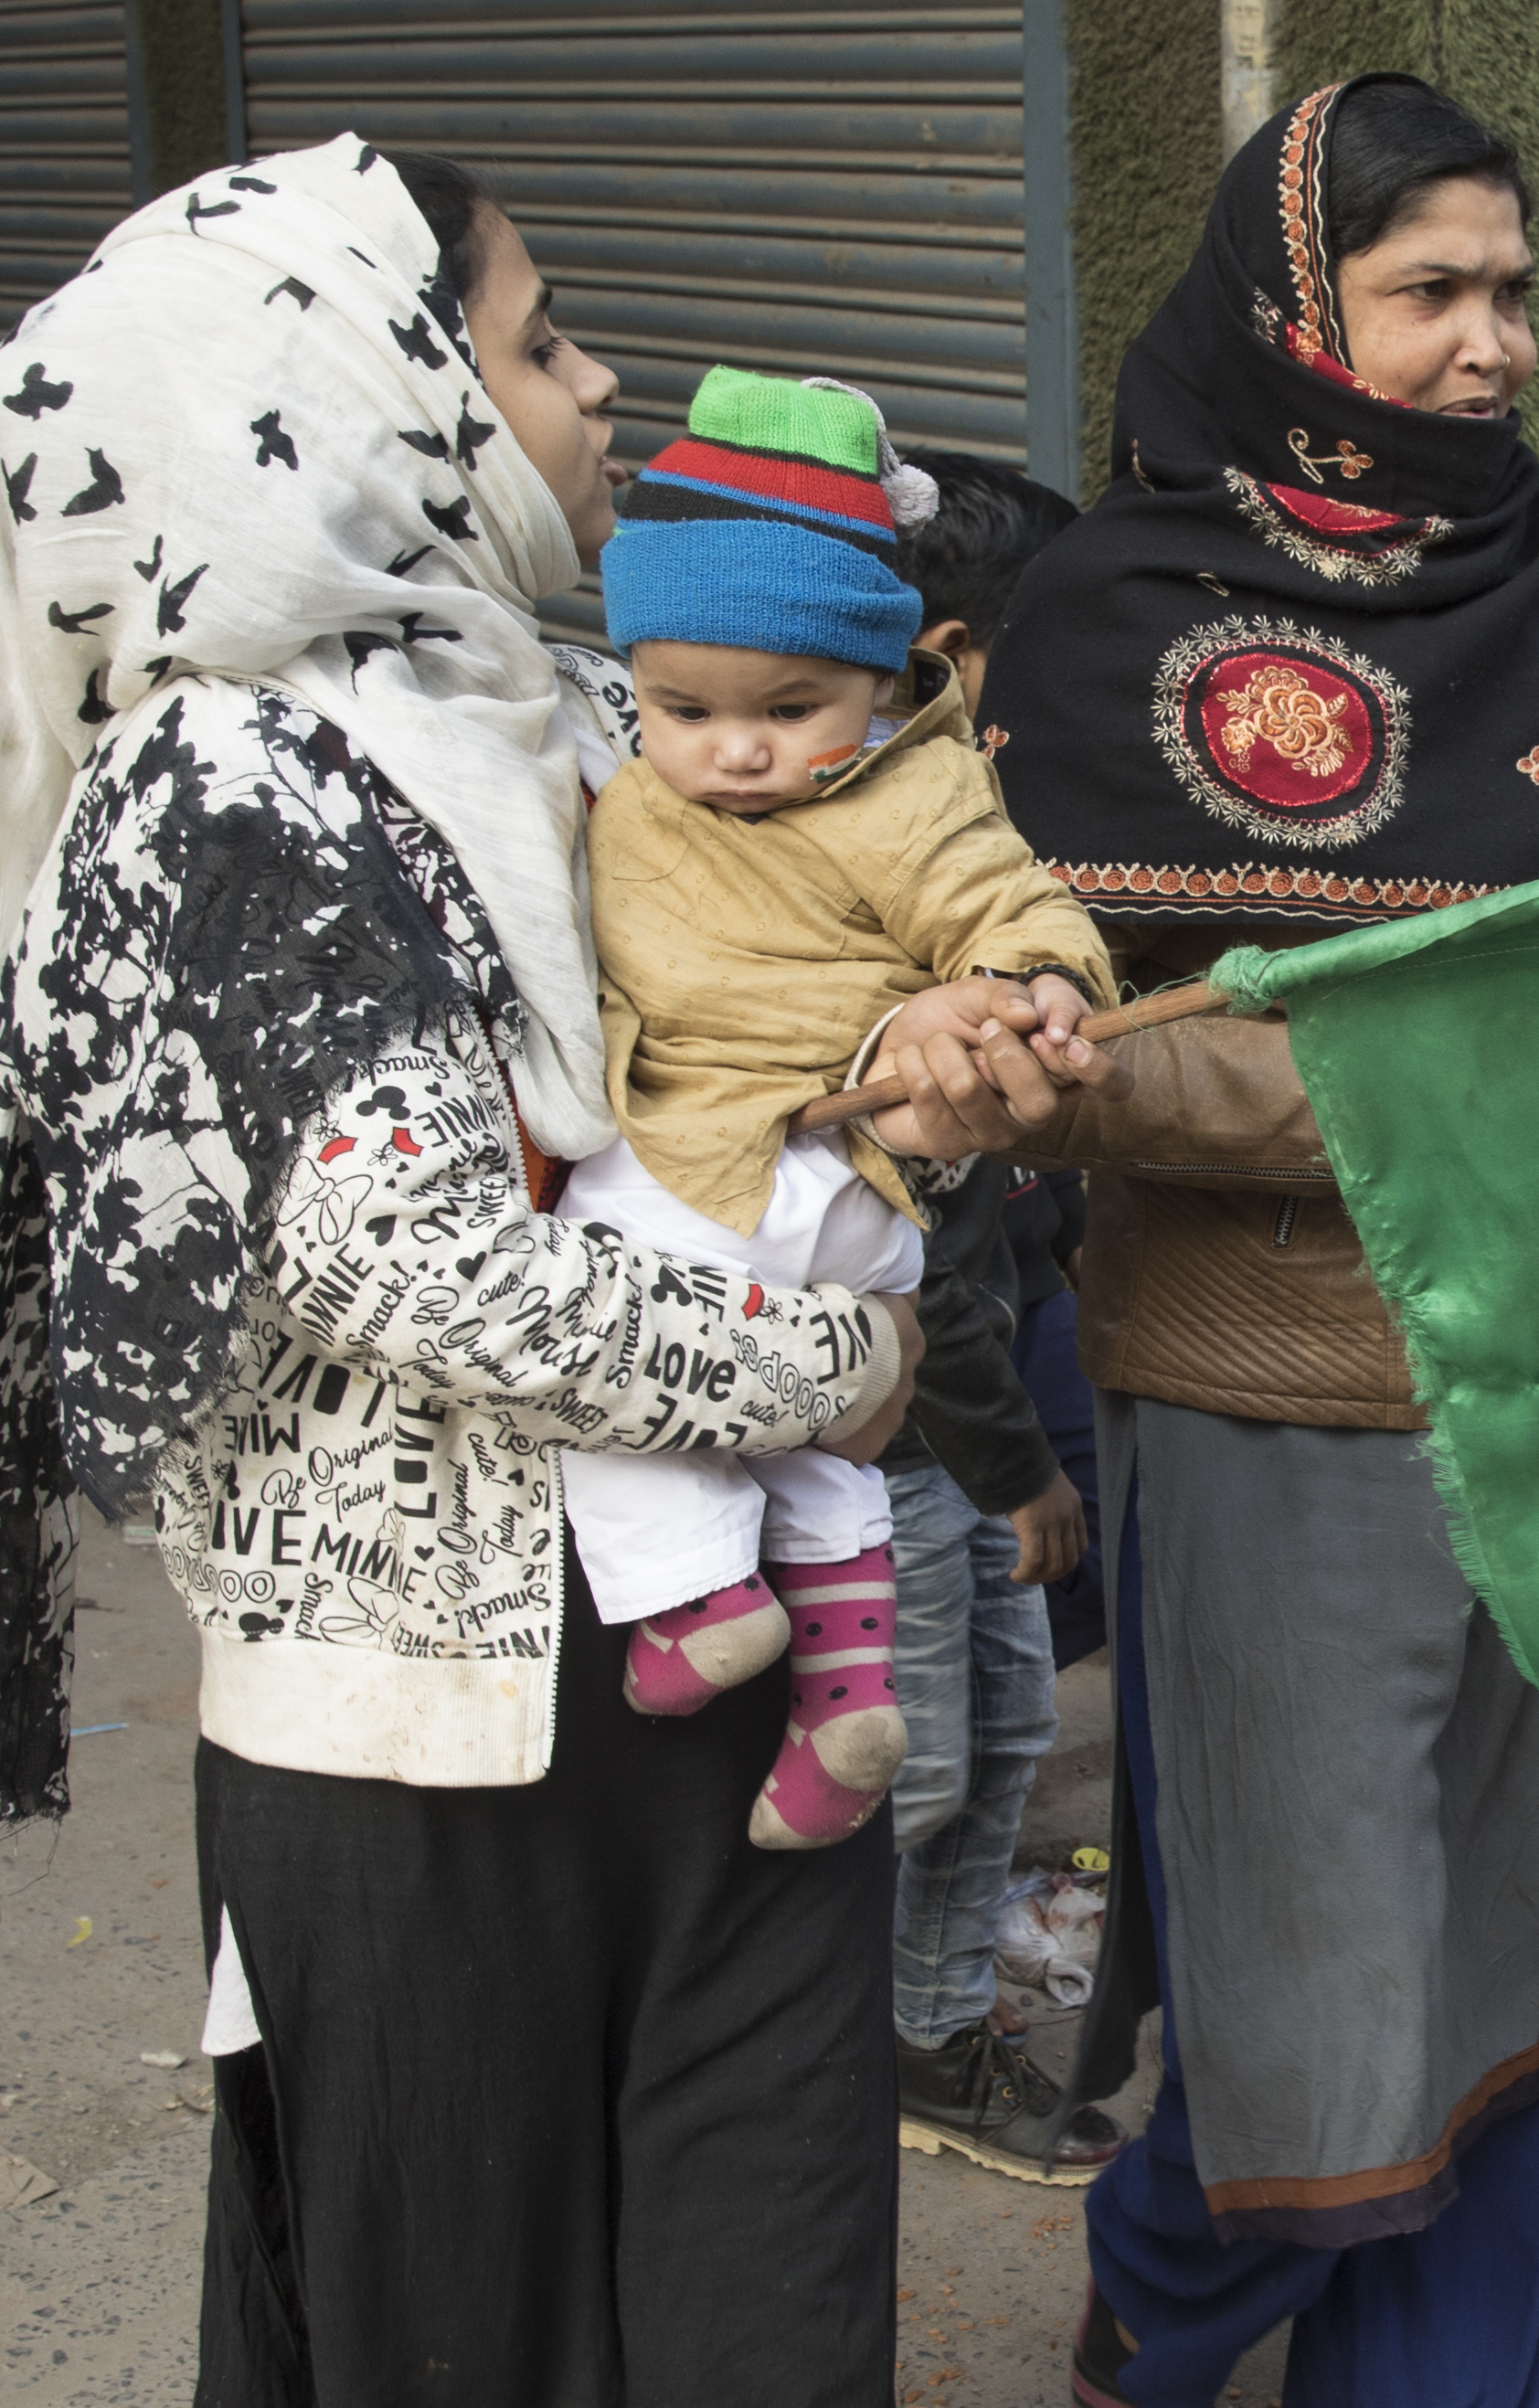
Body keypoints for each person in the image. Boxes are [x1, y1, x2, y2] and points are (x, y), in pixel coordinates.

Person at [0, 137, 1152, 2408]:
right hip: (407, 1724)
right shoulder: (227, 794)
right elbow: (414, 1252)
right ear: (349, 408)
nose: (584, 403)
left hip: (715, 1683)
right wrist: (838, 1334)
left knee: (769, 2304)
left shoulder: (581, 718)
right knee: (431, 2294)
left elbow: (754, 1072)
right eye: (534, 352)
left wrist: (920, 1086)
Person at [982, 76, 1539, 2408]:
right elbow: (1081, 1047)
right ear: (1296, 309)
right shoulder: (1118, 621)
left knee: (1520, 1967)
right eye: (1429, 291)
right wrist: (1468, 1080)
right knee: (1323, 1994)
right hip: (1269, 1402)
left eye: (1516, 293)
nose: (1490, 346)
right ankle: (1164, 2292)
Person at [559, 367, 1111, 1850]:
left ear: (883, 682)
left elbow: (1011, 909)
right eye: (685, 709)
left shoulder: (887, 796)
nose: (735, 749)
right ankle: (842, 1699)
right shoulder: (633, 786)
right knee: (824, 1446)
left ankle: (697, 1600)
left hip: (750, 1165)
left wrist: (1026, 989)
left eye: (787, 709)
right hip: (862, 1213)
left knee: (603, 1326)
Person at [882, 447, 1117, 2174]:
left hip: (966, 1401)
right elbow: (921, 1254)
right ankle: (848, 2044)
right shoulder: (869, 899)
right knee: (909, 1759)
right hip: (902, 1422)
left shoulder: (985, 869)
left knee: (1001, 1732)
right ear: (955, 660)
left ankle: (938, 2032)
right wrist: (1016, 1463)